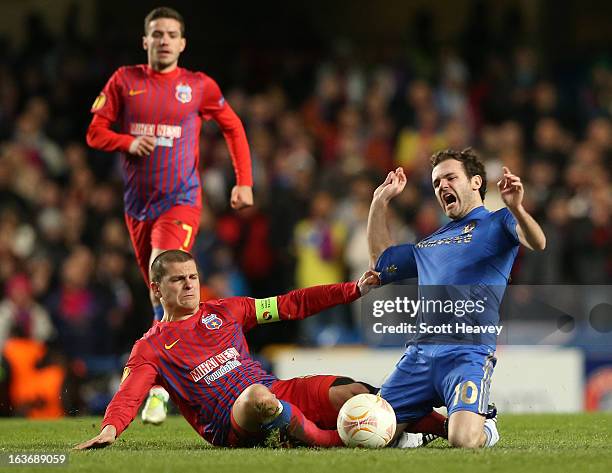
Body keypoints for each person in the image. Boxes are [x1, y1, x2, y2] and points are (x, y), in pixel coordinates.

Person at [85, 6, 253, 423]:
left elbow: (232, 126)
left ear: (182, 43)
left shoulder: (197, 86)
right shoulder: (124, 81)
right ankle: (167, 378)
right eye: (156, 33)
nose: (163, 40)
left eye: (171, 34)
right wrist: (125, 141)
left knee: (167, 270)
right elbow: (94, 132)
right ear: (146, 41)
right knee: (157, 293)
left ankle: (159, 390)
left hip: (180, 201)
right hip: (137, 208)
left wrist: (243, 180)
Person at [75, 250, 382, 449]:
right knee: (257, 398)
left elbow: (291, 304)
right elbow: (128, 394)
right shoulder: (150, 347)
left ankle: (419, 429)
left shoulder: (226, 310)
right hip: (229, 422)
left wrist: (352, 290)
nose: (189, 285)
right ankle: (330, 442)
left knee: (353, 392)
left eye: (193, 277)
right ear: (157, 289)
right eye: (178, 279)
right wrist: (110, 429)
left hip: (272, 389)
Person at [367, 148, 546, 448]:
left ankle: (486, 425)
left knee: (463, 441)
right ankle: (421, 429)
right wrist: (379, 201)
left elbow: (537, 241)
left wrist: (516, 207)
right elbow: (380, 262)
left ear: (475, 182)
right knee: (374, 434)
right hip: (419, 356)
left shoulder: (498, 223)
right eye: (437, 183)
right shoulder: (429, 243)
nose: (442, 187)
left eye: (450, 177)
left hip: (467, 355)